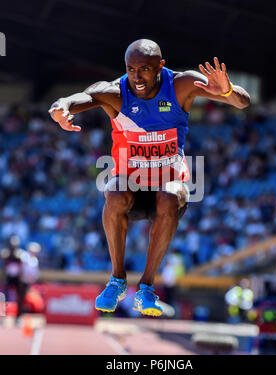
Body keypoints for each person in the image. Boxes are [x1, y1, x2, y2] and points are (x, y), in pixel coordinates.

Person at [49, 39, 250, 317]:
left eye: (144, 69)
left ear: (161, 66)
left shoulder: (181, 85)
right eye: (131, 69)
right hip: (131, 188)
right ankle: (117, 280)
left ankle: (146, 288)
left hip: (167, 187)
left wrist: (227, 90)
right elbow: (80, 98)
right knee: (115, 190)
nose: (137, 77)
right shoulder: (116, 92)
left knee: (170, 194)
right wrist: (62, 106)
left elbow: (242, 102)